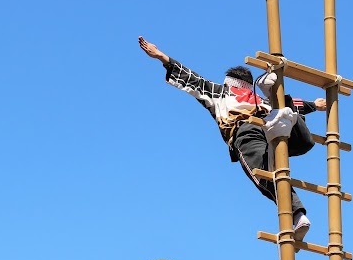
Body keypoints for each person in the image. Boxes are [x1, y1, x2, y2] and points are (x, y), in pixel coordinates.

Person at [138, 36, 326, 241]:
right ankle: (299, 215)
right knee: (303, 139)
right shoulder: (258, 99)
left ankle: (297, 214)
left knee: (265, 175)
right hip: (271, 122)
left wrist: (162, 57)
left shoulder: (220, 92)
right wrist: (313, 105)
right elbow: (298, 104)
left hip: (247, 131)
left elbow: (192, 80)